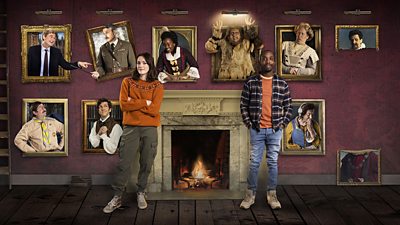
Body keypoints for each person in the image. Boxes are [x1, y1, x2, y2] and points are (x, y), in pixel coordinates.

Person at [103, 52, 164, 213]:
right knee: (124, 164)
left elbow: (154, 109)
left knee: (146, 163)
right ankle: (117, 197)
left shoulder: (157, 85)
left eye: (144, 63)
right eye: (138, 63)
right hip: (130, 129)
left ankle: (141, 192)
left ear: (150, 65)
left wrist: (134, 102)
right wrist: (145, 102)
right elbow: (124, 105)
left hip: (150, 129)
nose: (141, 65)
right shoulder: (127, 82)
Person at [239, 50, 292, 210]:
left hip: (275, 129)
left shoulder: (282, 84)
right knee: (254, 163)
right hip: (257, 129)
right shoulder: (251, 82)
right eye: (264, 58)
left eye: (270, 59)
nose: (267, 61)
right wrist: (249, 123)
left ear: (274, 62)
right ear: (259, 61)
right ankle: (250, 195)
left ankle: (272, 195)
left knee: (273, 163)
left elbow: (289, 106)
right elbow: (243, 105)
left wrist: (282, 124)